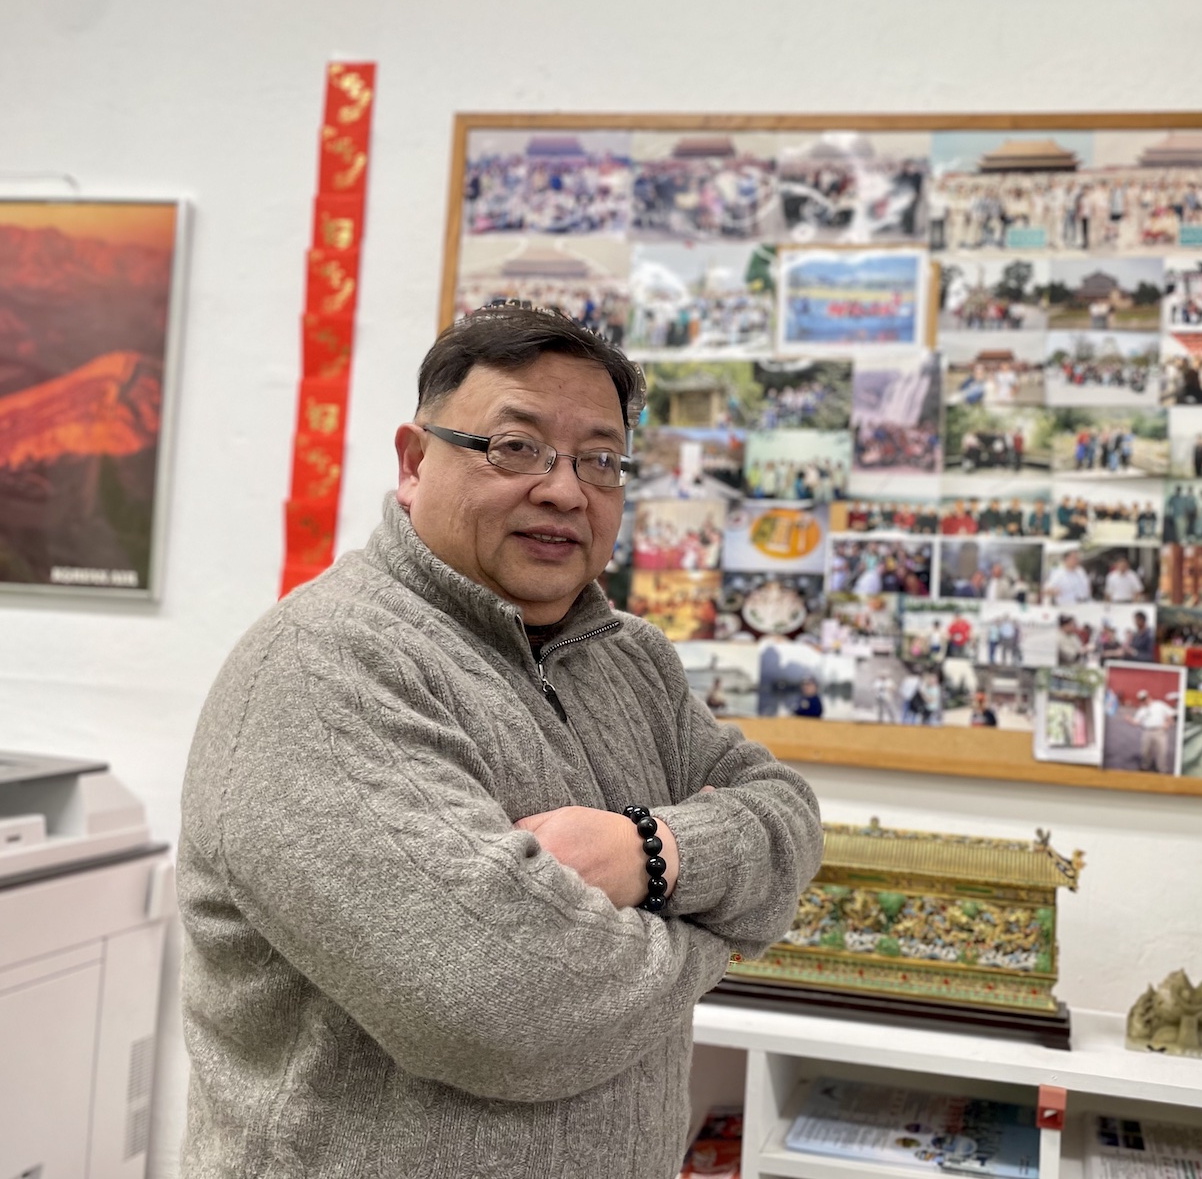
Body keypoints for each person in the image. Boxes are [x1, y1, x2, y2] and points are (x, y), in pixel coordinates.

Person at [177, 304, 825, 1178]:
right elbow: (512, 1003)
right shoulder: (323, 667)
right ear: (414, 462)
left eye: (600, 460)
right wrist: (723, 934)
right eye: (517, 448)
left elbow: (789, 816)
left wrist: (654, 853)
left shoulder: (630, 659)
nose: (565, 491)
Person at [1133, 689, 1177, 772]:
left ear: (1149, 697)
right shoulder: (1142, 710)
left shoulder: (1159, 704)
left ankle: (1161, 768)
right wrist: (1130, 720)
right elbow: (1136, 722)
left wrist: (1167, 723)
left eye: (1145, 698)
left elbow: (1171, 713)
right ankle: (1145, 766)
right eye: (1142, 699)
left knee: (1161, 751)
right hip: (1147, 732)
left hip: (1159, 731)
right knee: (1145, 751)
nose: (1145, 700)